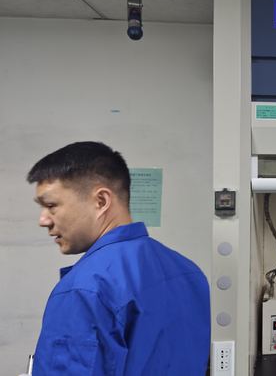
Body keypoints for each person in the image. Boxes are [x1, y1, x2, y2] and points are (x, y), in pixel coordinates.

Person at [27, 141, 210, 375]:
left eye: (51, 205)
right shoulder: (189, 272)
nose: (43, 220)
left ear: (101, 201)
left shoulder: (87, 288)